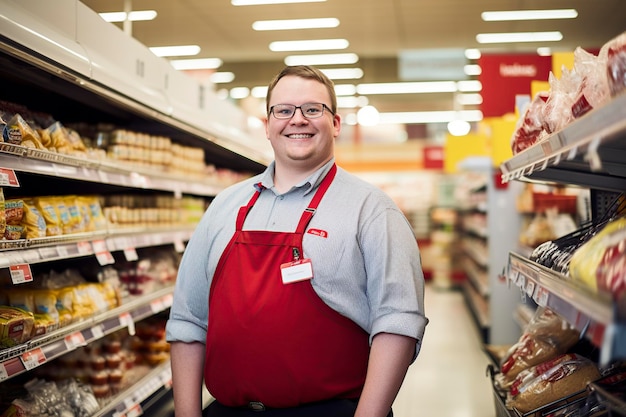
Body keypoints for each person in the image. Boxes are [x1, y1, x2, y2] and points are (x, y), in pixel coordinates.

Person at [165, 65, 428, 417]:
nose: (297, 120)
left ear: (335, 123)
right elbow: (187, 320)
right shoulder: (224, 207)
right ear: (268, 125)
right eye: (284, 110)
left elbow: (398, 322)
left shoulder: (372, 210)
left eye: (313, 109)